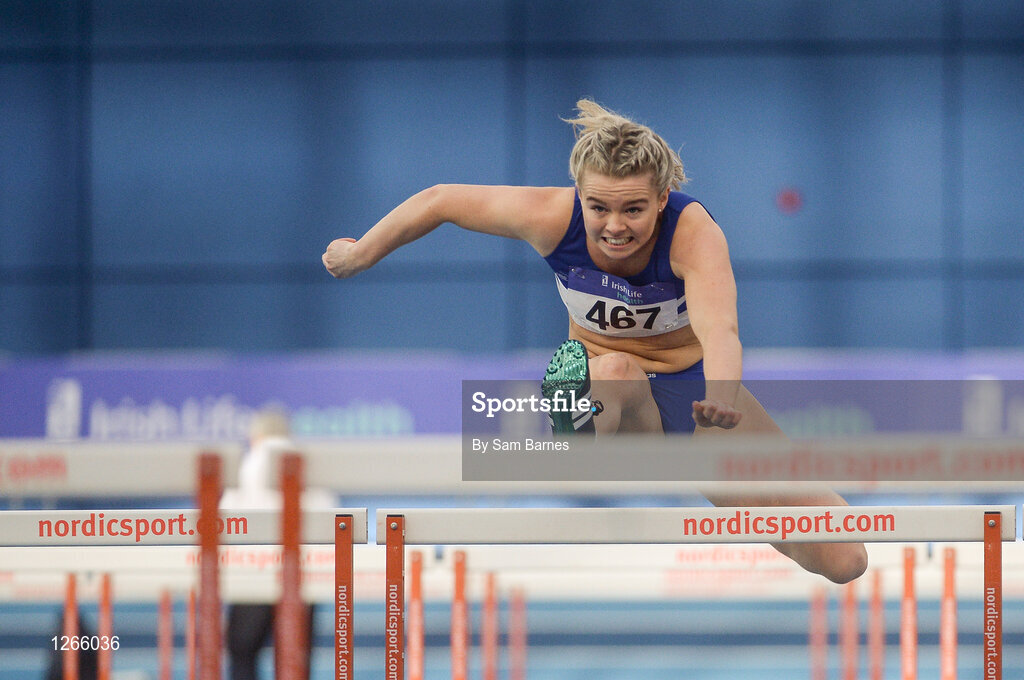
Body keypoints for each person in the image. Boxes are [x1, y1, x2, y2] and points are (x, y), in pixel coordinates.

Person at [322, 99, 867, 584]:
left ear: (662, 198)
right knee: (609, 372)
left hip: (692, 394)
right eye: (599, 207)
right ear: (578, 195)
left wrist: (722, 396)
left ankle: (607, 434)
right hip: (610, 387)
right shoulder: (551, 217)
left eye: (633, 209)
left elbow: (720, 329)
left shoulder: (693, 233)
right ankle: (575, 430)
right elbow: (439, 199)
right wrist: (360, 252)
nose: (614, 227)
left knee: (844, 559)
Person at [220, 408, 336, 680]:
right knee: (295, 657)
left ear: (256, 436)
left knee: (243, 651)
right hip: (303, 573)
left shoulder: (249, 463)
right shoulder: (309, 462)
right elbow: (330, 518)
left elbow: (226, 518)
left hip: (254, 570)